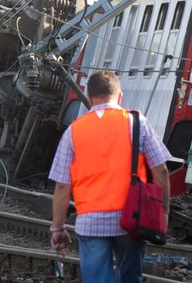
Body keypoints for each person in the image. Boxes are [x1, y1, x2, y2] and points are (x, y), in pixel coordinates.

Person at [48, 70, 172, 283]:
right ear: (120, 96)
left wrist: (57, 227)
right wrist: (164, 212)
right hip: (132, 219)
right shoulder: (137, 122)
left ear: (89, 98)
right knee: (129, 277)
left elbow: (62, 185)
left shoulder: (74, 131)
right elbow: (161, 171)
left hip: (91, 221)